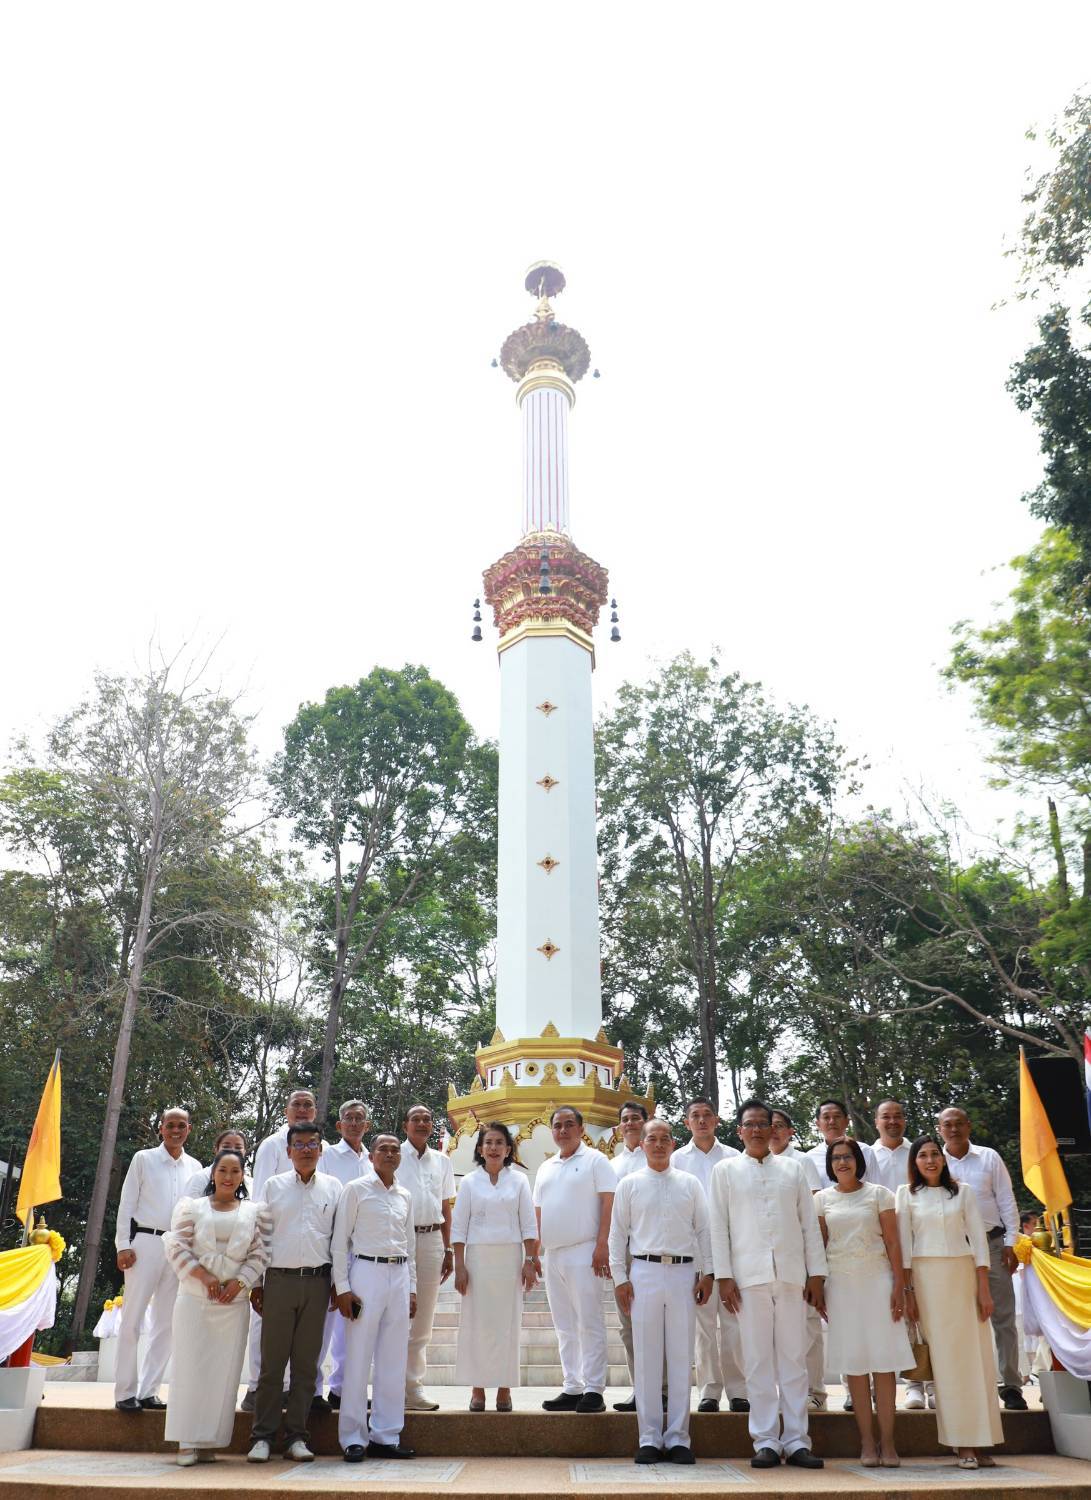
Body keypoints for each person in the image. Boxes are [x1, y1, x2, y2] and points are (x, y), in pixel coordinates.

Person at [710, 1098, 827, 1470]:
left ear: (774, 1129)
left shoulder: (793, 1170)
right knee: (758, 1360)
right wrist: (724, 1276)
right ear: (740, 1130)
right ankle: (765, 1440)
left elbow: (809, 1225)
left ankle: (796, 1440)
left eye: (765, 1123)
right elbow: (719, 1227)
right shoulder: (725, 1171)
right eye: (751, 1124)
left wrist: (817, 1275)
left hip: (792, 1276)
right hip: (748, 1279)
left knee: (794, 1359)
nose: (758, 1130)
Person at [610, 1119, 714, 1466]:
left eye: (664, 1139)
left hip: (684, 1272)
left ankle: (679, 1437)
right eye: (651, 1139)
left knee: (681, 1355)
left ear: (673, 1144)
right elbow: (616, 1236)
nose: (657, 1144)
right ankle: (650, 1437)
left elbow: (703, 1230)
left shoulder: (689, 1183)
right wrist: (620, 1279)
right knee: (647, 1354)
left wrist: (707, 1272)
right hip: (644, 1272)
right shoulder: (629, 1184)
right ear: (641, 1145)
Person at [897, 1135, 1004, 1468]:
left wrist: (983, 1288)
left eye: (935, 1155)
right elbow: (903, 1249)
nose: (930, 1160)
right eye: (923, 1156)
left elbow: (980, 1244)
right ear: (914, 1162)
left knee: (977, 1362)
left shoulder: (964, 1192)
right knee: (946, 1366)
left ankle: (981, 1439)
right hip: (927, 1284)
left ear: (943, 1160)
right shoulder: (905, 1195)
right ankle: (961, 1444)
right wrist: (909, 1293)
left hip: (964, 1278)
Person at [163, 1151, 271, 1466]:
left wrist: (241, 1282)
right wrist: (203, 1276)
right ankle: (186, 1440)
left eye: (234, 1171)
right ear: (213, 1173)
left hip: (233, 1302)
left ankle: (209, 1440)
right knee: (190, 1367)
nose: (227, 1176)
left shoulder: (255, 1212)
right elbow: (177, 1246)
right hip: (195, 1298)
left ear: (242, 1176)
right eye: (222, 1170)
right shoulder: (191, 1207)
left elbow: (260, 1253)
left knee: (223, 1372)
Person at [246, 1123, 341, 1464]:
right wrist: (256, 1284)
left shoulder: (333, 1188)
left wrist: (337, 1286)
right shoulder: (272, 1187)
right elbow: (258, 1237)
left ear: (320, 1149)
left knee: (306, 1366)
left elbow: (338, 1241)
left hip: (317, 1283)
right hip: (279, 1281)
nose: (305, 1149)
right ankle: (263, 1436)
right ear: (288, 1152)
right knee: (272, 1365)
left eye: (312, 1144)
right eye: (298, 1144)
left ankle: (297, 1436)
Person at [815, 1139, 913, 1467]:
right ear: (830, 1165)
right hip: (841, 1286)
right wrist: (818, 1287)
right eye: (836, 1158)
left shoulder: (879, 1195)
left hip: (878, 1283)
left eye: (848, 1157)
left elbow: (893, 1242)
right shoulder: (822, 1200)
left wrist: (901, 1284)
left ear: (858, 1160)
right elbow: (820, 1246)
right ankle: (867, 1442)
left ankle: (888, 1443)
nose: (842, 1163)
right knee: (855, 1367)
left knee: (883, 1366)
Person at [332, 1134, 417, 1462]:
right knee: (358, 1356)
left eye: (395, 1150)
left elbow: (410, 1247)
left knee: (393, 1359)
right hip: (365, 1272)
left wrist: (411, 1289)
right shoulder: (356, 1190)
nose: (390, 1154)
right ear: (372, 1156)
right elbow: (340, 1243)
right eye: (383, 1149)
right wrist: (342, 1288)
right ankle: (353, 1436)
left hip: (398, 1275)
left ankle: (386, 1434)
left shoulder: (404, 1195)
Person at [113, 1107, 204, 1413]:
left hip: (178, 1248)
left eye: (181, 1125)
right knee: (132, 1319)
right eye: (170, 1125)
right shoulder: (144, 1158)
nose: (176, 1130)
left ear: (189, 1129)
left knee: (166, 1322)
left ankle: (149, 1390)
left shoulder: (195, 1166)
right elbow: (126, 1204)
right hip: (145, 1244)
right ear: (161, 1128)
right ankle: (125, 1392)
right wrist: (122, 1244)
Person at [937, 1106, 1025, 1411]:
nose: (954, 1129)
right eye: (947, 1125)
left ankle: (1011, 1384)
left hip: (992, 1244)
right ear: (939, 1130)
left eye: (959, 1123)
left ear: (968, 1125)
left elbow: (1005, 1199)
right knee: (958, 1319)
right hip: (953, 1249)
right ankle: (963, 1384)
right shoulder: (934, 1161)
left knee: (1002, 1317)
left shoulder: (989, 1157)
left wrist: (1011, 1242)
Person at [241, 1089, 324, 1413]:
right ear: (286, 1110)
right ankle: (256, 1388)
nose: (302, 1110)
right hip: (274, 1249)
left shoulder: (320, 1146)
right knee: (264, 1325)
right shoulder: (273, 1146)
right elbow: (261, 1203)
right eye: (297, 1105)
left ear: (315, 1112)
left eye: (308, 1105)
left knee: (308, 1334)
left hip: (310, 1249)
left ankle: (302, 1391)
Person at [532, 1104, 615, 1412]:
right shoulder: (546, 1167)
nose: (563, 1130)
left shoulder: (596, 1160)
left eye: (569, 1124)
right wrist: (533, 1253)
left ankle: (594, 1389)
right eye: (557, 1125)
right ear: (551, 1131)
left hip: (586, 1249)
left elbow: (609, 1202)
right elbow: (537, 1213)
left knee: (589, 1321)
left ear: (581, 1129)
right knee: (564, 1324)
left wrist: (603, 1244)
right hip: (553, 1254)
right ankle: (572, 1386)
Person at [451, 1122, 537, 1412]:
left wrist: (530, 1260)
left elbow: (529, 1224)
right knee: (477, 1324)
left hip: (509, 1260)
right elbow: (459, 1226)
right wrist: (459, 1266)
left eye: (499, 1142)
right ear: (479, 1149)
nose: (494, 1148)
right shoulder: (469, 1182)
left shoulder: (520, 1181)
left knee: (507, 1326)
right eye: (488, 1142)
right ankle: (478, 1389)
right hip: (477, 1261)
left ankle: (504, 1389)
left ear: (509, 1149)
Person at [673, 1098, 747, 1415]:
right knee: (703, 1327)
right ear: (687, 1123)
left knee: (733, 1323)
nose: (701, 1121)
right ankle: (708, 1391)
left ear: (717, 1121)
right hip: (694, 1254)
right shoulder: (676, 1160)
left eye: (707, 1116)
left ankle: (739, 1390)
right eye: (695, 1116)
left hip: (731, 1250)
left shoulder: (734, 1157)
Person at [394, 1104, 454, 1412]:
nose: (421, 1123)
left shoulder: (442, 1161)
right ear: (405, 1125)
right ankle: (391, 1387)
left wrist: (449, 1249)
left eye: (427, 1119)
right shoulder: (392, 1155)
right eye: (415, 1118)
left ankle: (413, 1388)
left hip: (432, 1239)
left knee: (423, 1319)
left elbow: (445, 1207)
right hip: (398, 1241)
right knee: (395, 1315)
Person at [314, 1100, 373, 1411]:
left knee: (351, 1323)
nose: (353, 1123)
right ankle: (313, 1390)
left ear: (367, 1125)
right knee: (324, 1322)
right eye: (348, 1118)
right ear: (339, 1126)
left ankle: (342, 1389)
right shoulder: (328, 1157)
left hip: (361, 1250)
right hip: (331, 1247)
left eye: (359, 1119)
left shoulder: (371, 1160)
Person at [770, 1109, 825, 1411]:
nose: (774, 1131)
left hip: (799, 1259)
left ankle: (815, 1391)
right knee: (779, 1333)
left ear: (791, 1132)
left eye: (780, 1126)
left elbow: (814, 1212)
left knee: (809, 1328)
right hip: (766, 1262)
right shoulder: (751, 1162)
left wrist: (814, 1266)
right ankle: (785, 1393)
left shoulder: (801, 1161)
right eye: (770, 1126)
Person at [806, 1099, 876, 1184]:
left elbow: (877, 1186)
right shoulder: (810, 1158)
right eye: (826, 1117)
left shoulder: (865, 1151)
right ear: (818, 1124)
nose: (832, 1121)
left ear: (847, 1121)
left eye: (837, 1116)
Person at [183, 1130, 249, 1197]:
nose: (232, 1150)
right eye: (226, 1147)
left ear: (244, 1152)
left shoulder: (251, 1183)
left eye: (238, 1148)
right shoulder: (199, 1179)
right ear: (216, 1150)